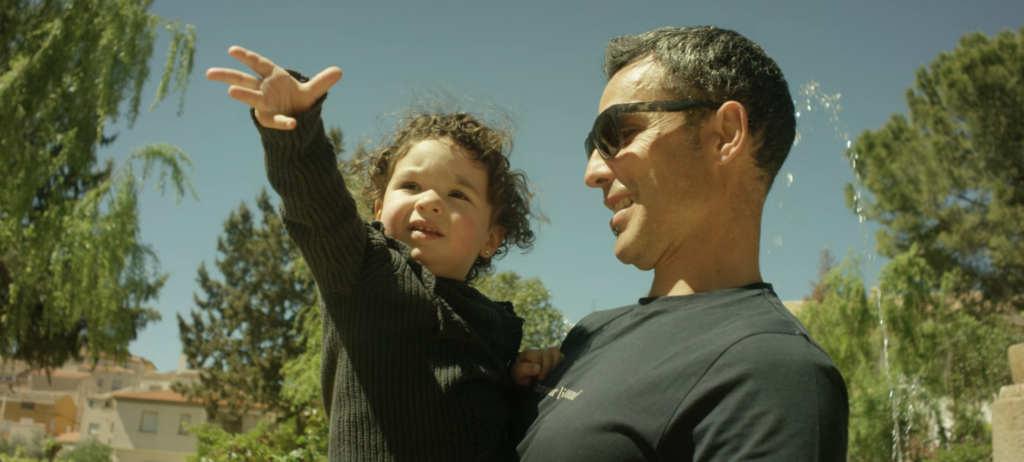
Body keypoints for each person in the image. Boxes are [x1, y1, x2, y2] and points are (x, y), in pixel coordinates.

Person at [509, 26, 850, 460]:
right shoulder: (588, 334)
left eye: (618, 133)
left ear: (725, 134)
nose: (593, 172)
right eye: (593, 145)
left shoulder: (774, 370)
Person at [206, 46, 562, 461]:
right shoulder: (365, 271)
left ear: (492, 238)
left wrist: (519, 386)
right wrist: (296, 128)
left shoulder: (495, 326)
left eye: (458, 194)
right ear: (377, 210)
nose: (429, 201)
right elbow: (318, 207)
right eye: (411, 186)